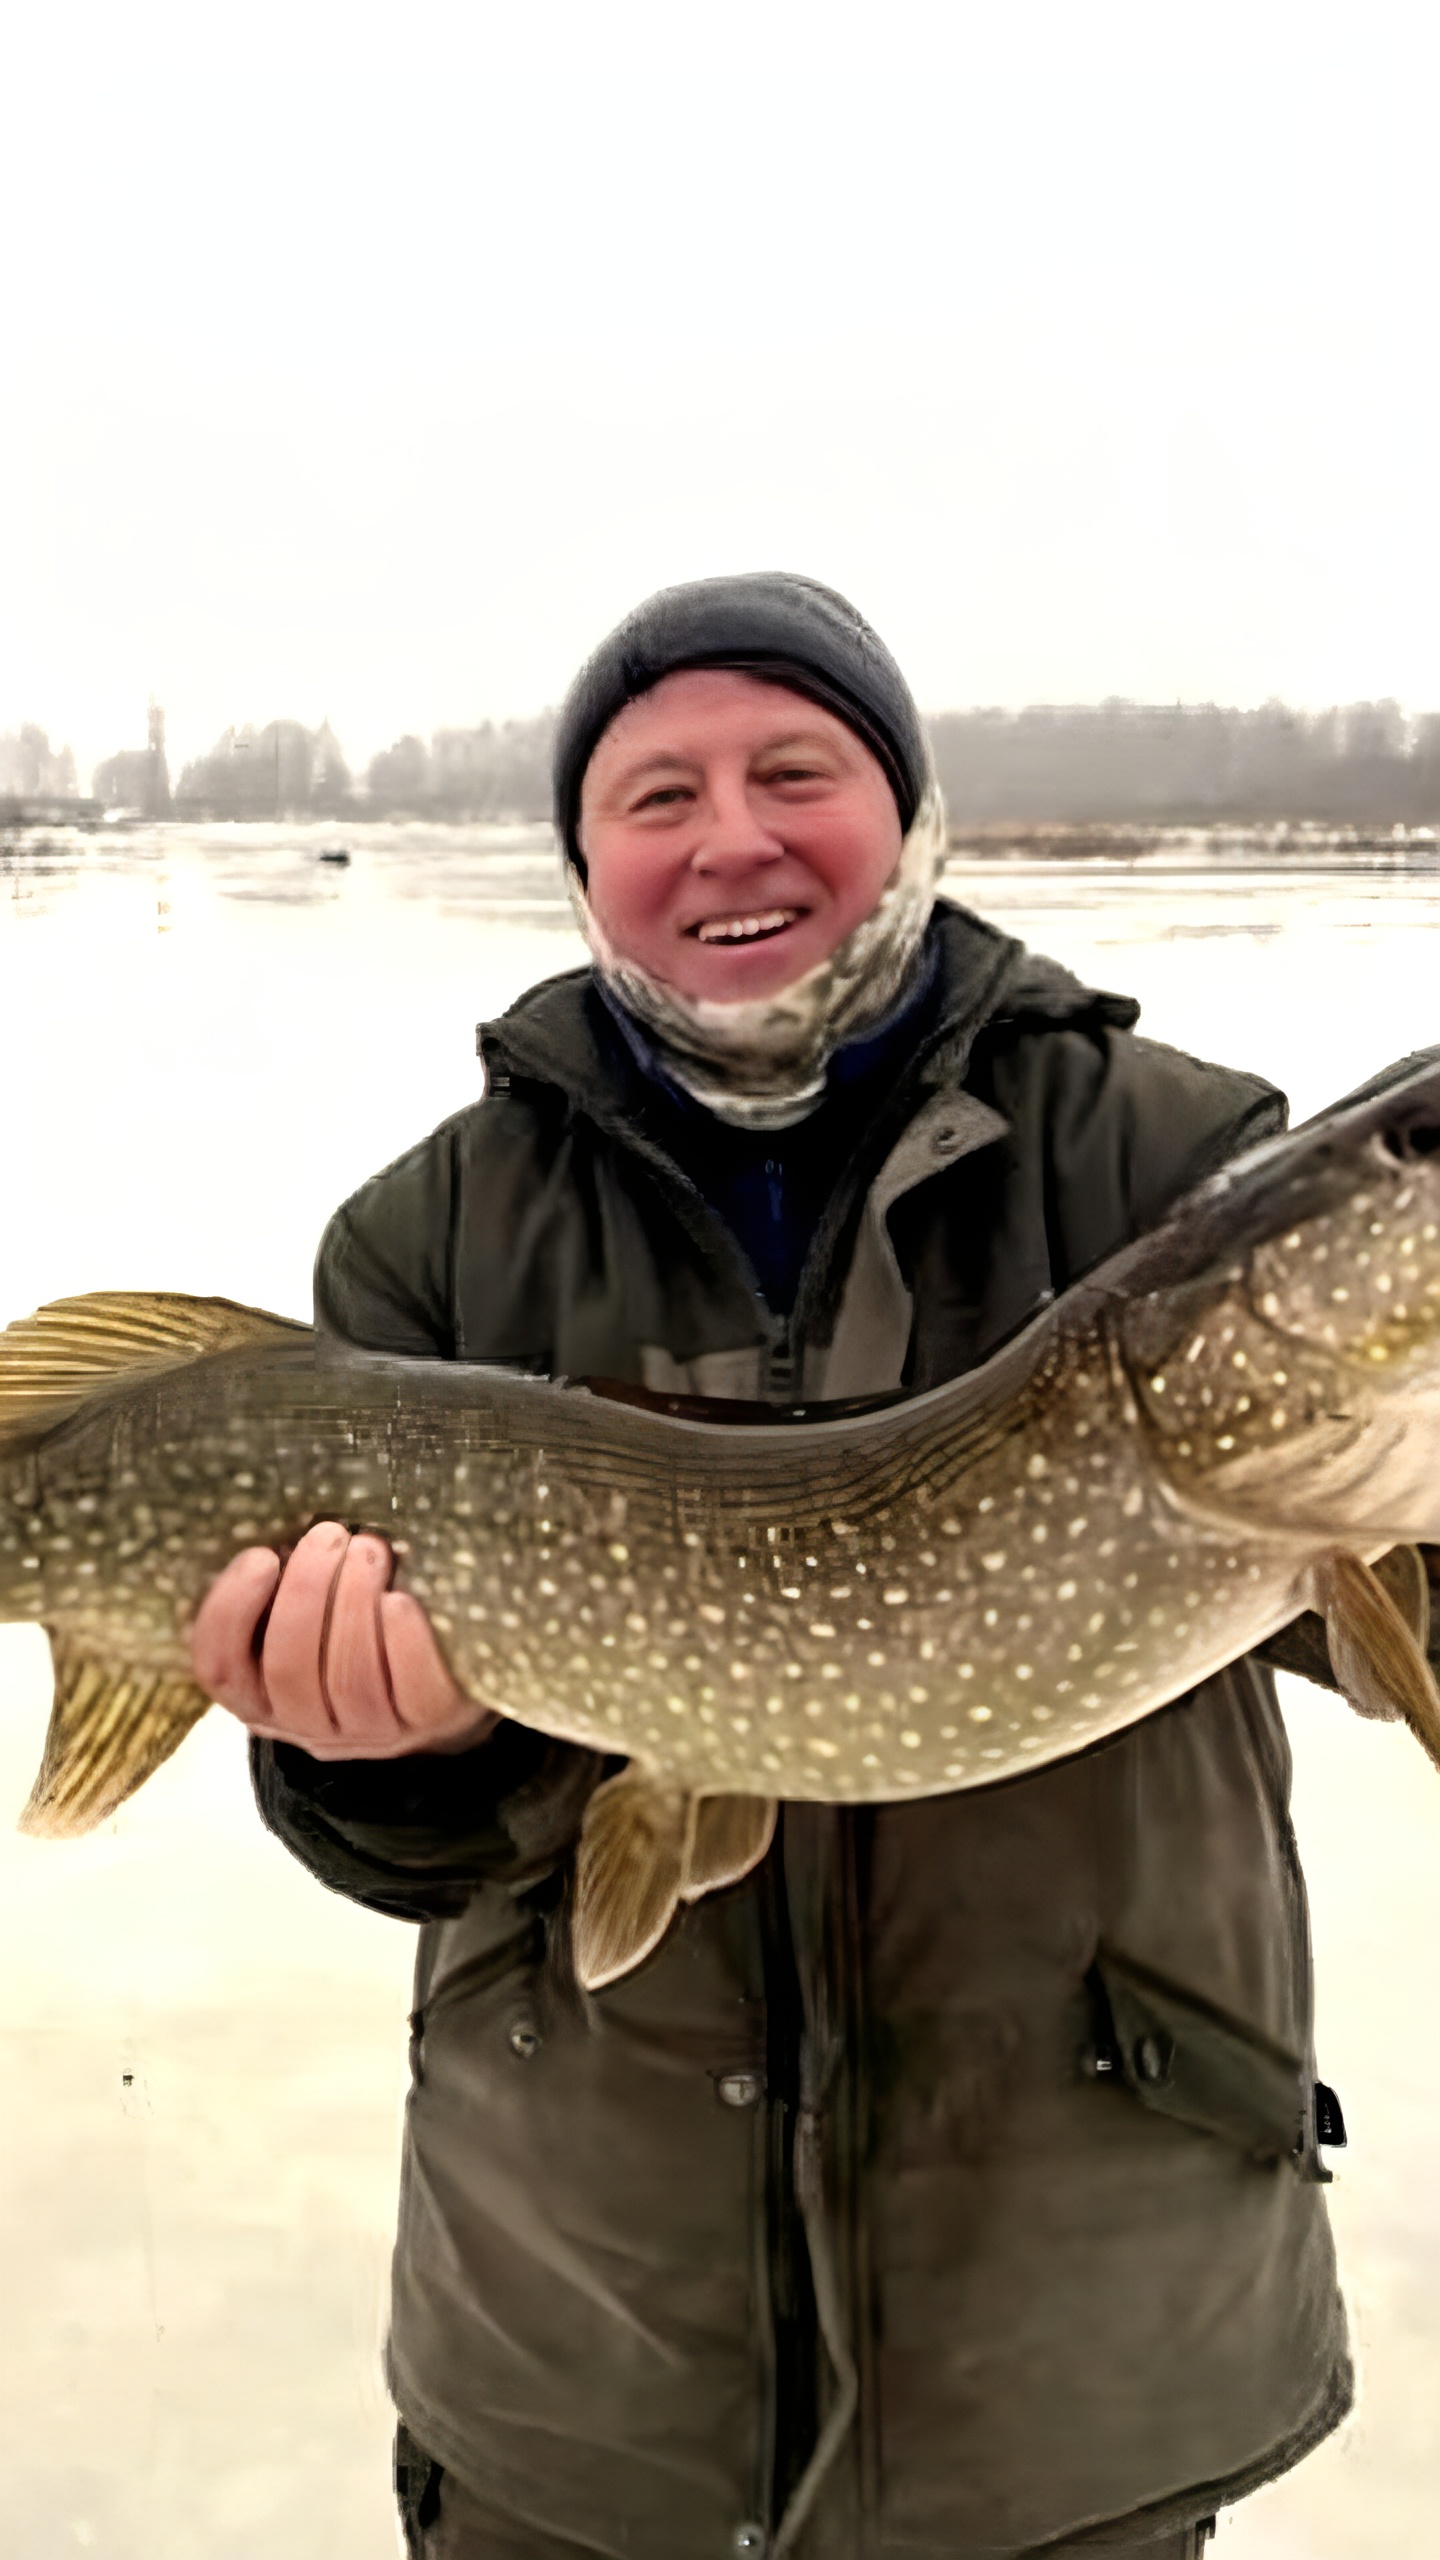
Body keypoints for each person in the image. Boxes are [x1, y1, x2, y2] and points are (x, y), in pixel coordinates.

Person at [192, 575, 1351, 2560]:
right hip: (581, 2363)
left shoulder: (1164, 1164)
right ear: (584, 862)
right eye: (656, 794)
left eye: (796, 768)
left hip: (1073, 2374)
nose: (732, 833)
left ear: (903, 807)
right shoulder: (435, 1238)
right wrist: (381, 1745)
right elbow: (404, 1847)